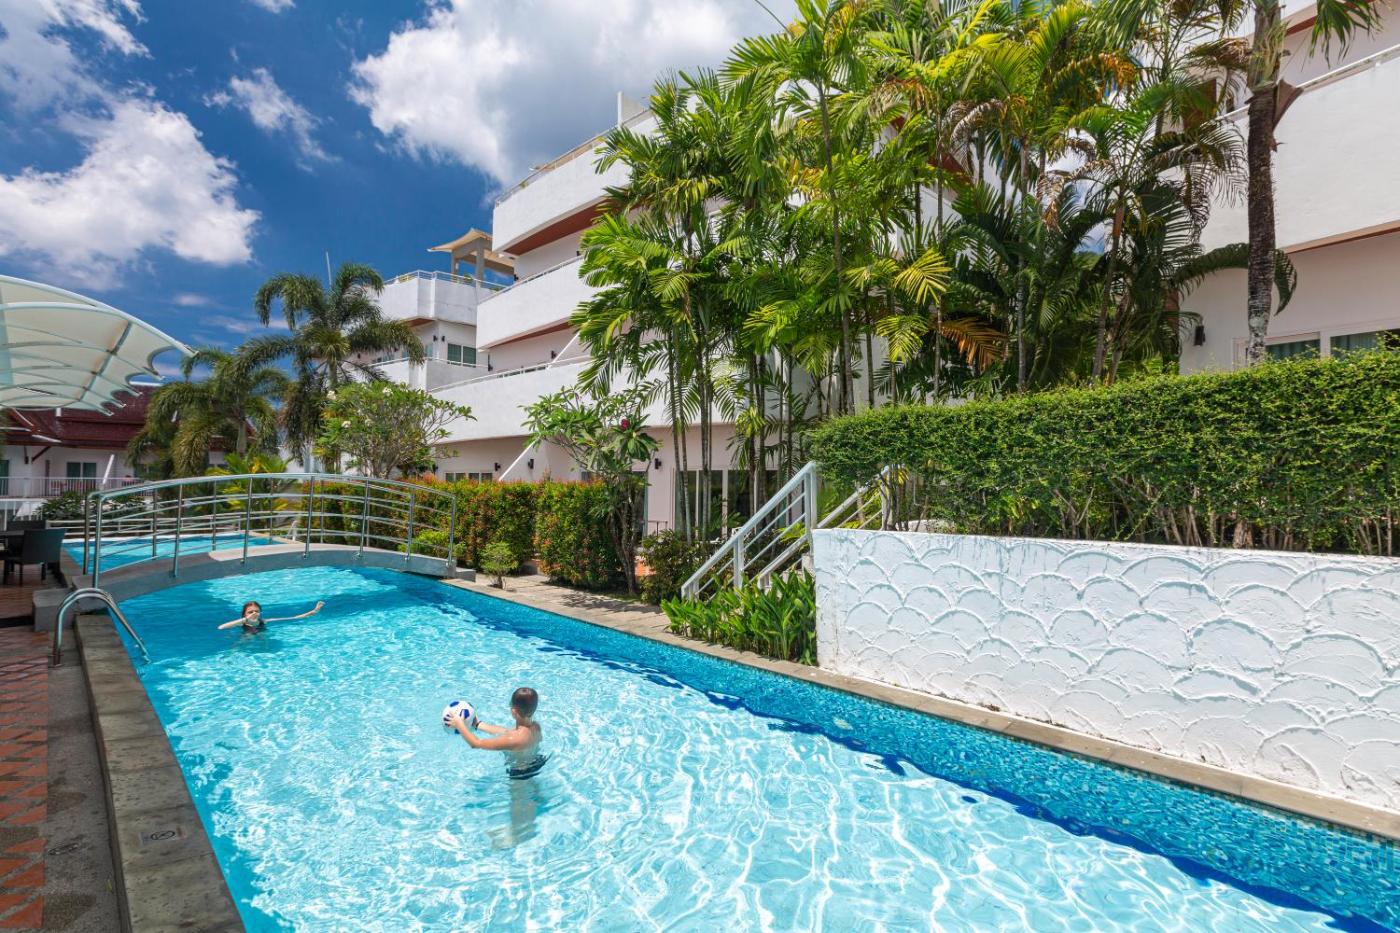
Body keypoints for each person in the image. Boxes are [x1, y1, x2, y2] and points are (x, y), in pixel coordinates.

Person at [448, 687, 549, 779]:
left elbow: (476, 744)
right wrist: (478, 724)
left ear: (513, 712)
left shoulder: (514, 739)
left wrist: (459, 723)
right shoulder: (536, 727)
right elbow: (506, 732)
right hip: (537, 763)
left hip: (521, 775)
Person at [218, 599, 324, 633]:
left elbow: (295, 618)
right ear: (244, 614)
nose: (254, 613)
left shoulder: (264, 621)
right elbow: (221, 627)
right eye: (250, 612)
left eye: (256, 611)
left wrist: (314, 610)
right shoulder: (241, 623)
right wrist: (245, 619)